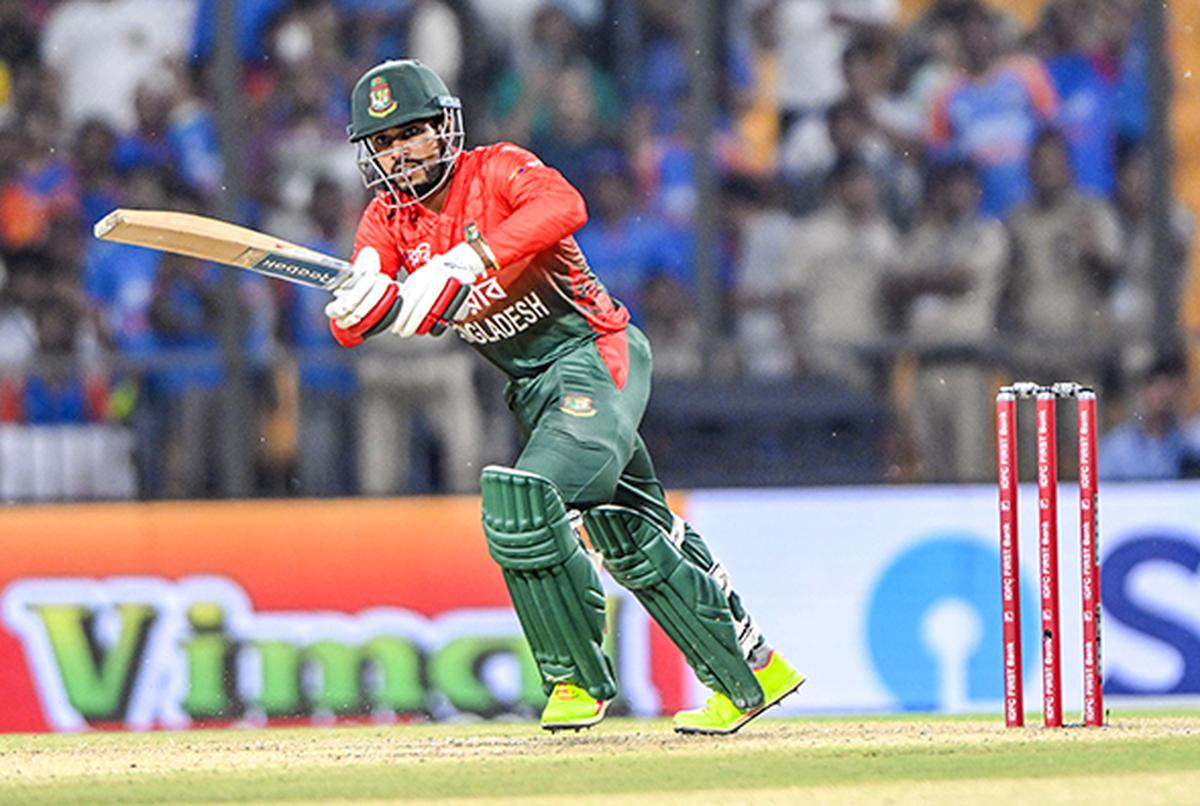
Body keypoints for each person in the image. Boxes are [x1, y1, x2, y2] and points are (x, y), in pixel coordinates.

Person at [322, 59, 804, 734]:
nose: (400, 151)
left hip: (594, 359)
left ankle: (575, 680)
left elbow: (565, 207)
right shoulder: (387, 220)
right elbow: (350, 324)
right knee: (631, 533)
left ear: (445, 128)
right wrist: (369, 296)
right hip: (534, 391)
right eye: (384, 141)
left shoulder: (496, 169)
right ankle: (752, 674)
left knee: (524, 501)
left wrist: (468, 260)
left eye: (413, 133)